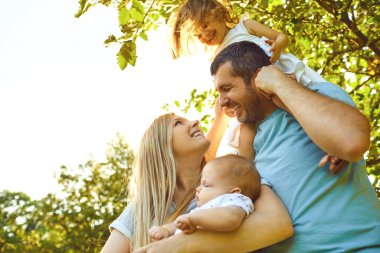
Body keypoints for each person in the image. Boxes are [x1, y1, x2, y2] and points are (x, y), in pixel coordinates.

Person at [133, 42, 380, 253]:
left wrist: (279, 83)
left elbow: (352, 141)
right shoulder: (245, 156)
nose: (222, 101)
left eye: (227, 88)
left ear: (258, 78)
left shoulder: (315, 98)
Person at [100, 113, 293, 253]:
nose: (195, 121)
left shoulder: (235, 174)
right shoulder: (143, 209)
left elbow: (279, 225)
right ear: (161, 146)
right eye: (178, 123)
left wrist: (179, 245)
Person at [170, 0, 326, 157]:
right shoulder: (217, 57)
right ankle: (248, 171)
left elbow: (281, 37)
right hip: (253, 94)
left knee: (298, 105)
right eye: (198, 35)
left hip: (276, 75)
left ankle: (324, 137)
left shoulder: (245, 26)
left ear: (217, 12)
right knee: (245, 130)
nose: (204, 35)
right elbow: (227, 86)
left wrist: (278, 45)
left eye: (204, 25)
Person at [149, 154, 260, 240]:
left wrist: (193, 219)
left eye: (206, 185)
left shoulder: (234, 200)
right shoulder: (199, 211)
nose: (198, 188)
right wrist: (166, 230)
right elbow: (179, 223)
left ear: (234, 192)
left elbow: (231, 218)